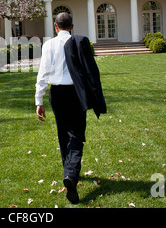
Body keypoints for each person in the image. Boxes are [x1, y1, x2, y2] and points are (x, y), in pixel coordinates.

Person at [35, 12, 106, 204]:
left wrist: (39, 101)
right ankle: (71, 175)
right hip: (75, 93)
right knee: (76, 134)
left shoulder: (48, 45)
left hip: (57, 94)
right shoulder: (79, 43)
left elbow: (43, 73)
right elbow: (90, 70)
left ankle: (69, 172)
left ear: (55, 27)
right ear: (71, 26)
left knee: (63, 134)